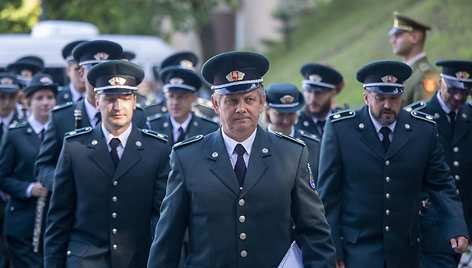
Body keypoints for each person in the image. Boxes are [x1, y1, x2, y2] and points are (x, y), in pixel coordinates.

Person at [147, 51, 335, 268]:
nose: (241, 108)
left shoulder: (291, 154)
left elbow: (315, 234)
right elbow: (167, 241)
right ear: (216, 105)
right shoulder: (187, 157)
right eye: (231, 101)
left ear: (262, 102)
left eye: (249, 99)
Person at [317, 60, 469, 268]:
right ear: (366, 97)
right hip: (358, 251)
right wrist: (334, 248)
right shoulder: (341, 129)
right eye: (380, 98)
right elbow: (329, 195)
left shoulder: (422, 129)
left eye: (394, 98)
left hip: (405, 250)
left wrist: (456, 226)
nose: (388, 105)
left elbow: (441, 183)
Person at [43, 60, 170, 268]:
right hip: (85, 259)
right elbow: (59, 217)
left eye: (124, 98)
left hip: (137, 258)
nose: (117, 107)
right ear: (96, 102)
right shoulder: (75, 147)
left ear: (135, 101)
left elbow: (162, 216)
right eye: (110, 99)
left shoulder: (156, 148)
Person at [34, 40, 148, 193]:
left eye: (106, 71)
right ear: (81, 74)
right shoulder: (61, 117)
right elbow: (43, 166)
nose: (100, 78)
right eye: (93, 71)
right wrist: (67, 184)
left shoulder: (136, 115)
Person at [405, 60, 472, 267]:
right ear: (441, 82)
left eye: (465, 91)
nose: (458, 96)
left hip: (465, 222)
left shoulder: (469, 116)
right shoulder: (417, 117)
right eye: (453, 89)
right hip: (430, 224)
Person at [0, 73, 57, 267]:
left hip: (53, 221)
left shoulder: (62, 134)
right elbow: (2, 177)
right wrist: (28, 188)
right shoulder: (15, 134)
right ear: (28, 101)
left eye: (49, 98)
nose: (45, 103)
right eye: (39, 98)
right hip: (23, 222)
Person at [148, 66, 219, 147]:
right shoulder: (152, 126)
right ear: (165, 96)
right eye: (171, 96)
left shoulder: (209, 129)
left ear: (193, 97)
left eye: (181, 97)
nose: (175, 102)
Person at [264, 82, 321, 177]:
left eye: (291, 113)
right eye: (279, 114)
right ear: (267, 110)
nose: (286, 121)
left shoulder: (313, 145)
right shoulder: (256, 144)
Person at [389, 11, 439, 106]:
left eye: (398, 36)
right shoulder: (404, 71)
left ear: (415, 37)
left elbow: (423, 115)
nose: (392, 41)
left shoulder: (426, 74)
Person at [295, 63, 343, 139]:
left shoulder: (342, 121)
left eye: (319, 93)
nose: (313, 99)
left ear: (332, 93)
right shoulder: (295, 124)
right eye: (308, 91)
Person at [56, 40, 87, 105]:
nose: (82, 75)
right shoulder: (56, 97)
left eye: (85, 69)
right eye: (77, 69)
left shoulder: (99, 97)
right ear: (68, 71)